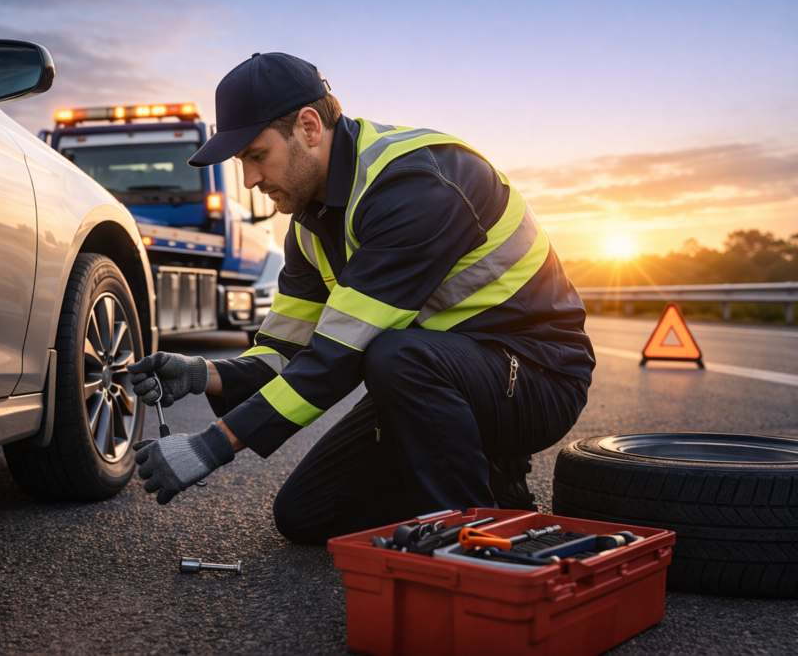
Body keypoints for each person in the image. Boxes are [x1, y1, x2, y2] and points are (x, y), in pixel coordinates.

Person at [127, 52, 594, 544]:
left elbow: (336, 357)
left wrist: (211, 446)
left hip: (536, 377)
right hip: (435, 380)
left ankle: (468, 536)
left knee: (394, 356)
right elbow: (284, 351)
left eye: (256, 155)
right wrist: (206, 374)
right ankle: (483, 487)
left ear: (309, 127)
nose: (249, 179)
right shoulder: (308, 224)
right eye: (242, 162)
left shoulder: (413, 185)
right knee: (305, 514)